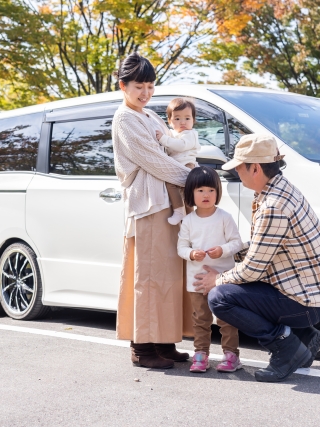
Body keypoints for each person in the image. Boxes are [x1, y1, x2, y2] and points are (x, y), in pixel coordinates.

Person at [193, 133, 320, 382]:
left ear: (255, 168)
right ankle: (303, 336)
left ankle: (286, 347)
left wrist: (216, 280)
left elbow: (251, 271)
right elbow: (266, 246)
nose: (237, 172)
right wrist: (229, 250)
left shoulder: (273, 205)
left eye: (239, 167)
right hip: (315, 298)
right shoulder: (283, 190)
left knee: (220, 298)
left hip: (305, 303)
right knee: (233, 288)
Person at [111, 52, 194, 369]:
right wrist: (194, 179)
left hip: (166, 203)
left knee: (169, 275)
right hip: (147, 206)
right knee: (147, 276)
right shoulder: (125, 118)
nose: (145, 93)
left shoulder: (150, 116)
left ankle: (163, 340)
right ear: (123, 85)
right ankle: (142, 347)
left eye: (149, 86)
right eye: (138, 86)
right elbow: (154, 160)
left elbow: (175, 146)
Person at [177, 166, 244, 373]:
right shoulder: (188, 221)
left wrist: (222, 250)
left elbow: (237, 243)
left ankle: (231, 355)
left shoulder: (224, 217)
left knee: (226, 319)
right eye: (200, 190)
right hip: (196, 281)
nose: (206, 195)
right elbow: (181, 247)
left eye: (211, 190)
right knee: (200, 319)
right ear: (191, 193)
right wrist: (190, 254)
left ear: (217, 192)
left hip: (223, 280)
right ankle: (201, 354)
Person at [154, 98, 200, 225]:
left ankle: (183, 213)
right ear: (169, 121)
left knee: (178, 188)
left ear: (193, 120)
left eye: (187, 118)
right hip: (178, 166)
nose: (183, 122)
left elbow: (181, 146)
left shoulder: (190, 134)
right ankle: (184, 214)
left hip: (187, 165)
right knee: (180, 192)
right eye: (177, 118)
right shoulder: (172, 134)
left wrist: (163, 139)